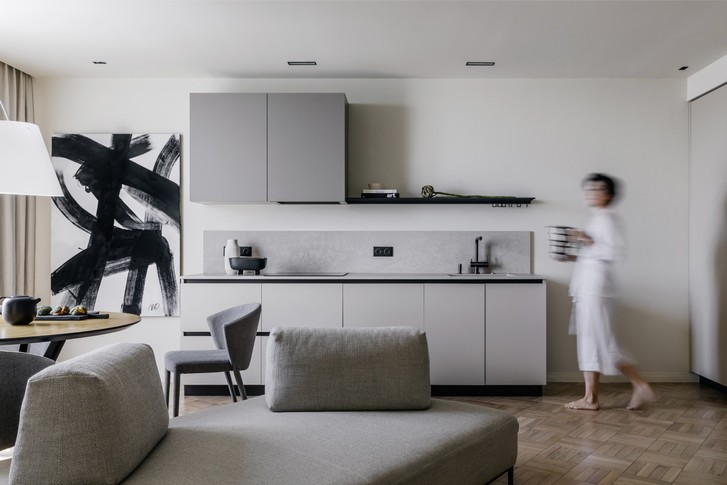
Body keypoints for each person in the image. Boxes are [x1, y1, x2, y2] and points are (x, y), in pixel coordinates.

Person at [564, 173, 655, 411]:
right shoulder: (596, 219)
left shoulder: (609, 218)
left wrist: (585, 239)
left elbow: (613, 252)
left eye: (597, 188)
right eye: (589, 188)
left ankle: (640, 384)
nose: (591, 192)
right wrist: (574, 256)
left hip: (597, 289)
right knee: (589, 342)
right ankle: (590, 398)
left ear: (610, 195)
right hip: (586, 288)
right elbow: (593, 254)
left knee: (603, 341)